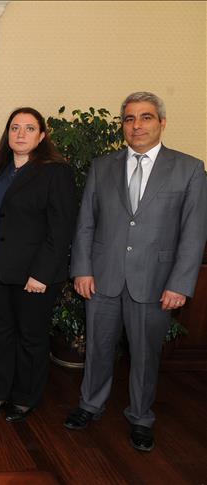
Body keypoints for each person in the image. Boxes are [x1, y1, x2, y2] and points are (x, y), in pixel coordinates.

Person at [64, 92, 207, 452]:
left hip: (155, 282)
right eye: (129, 119)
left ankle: (141, 416)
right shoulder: (102, 166)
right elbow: (86, 222)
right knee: (98, 348)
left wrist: (180, 284)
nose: (136, 125)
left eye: (145, 117)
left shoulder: (189, 168)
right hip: (102, 277)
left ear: (162, 123)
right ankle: (90, 405)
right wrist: (82, 269)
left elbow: (194, 233)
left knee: (145, 355)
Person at [0, 107, 77, 422]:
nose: (20, 134)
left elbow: (61, 230)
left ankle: (25, 397)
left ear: (42, 135)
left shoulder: (55, 172)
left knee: (30, 336)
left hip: (33, 273)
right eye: (15, 128)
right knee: (0, 332)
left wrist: (41, 274)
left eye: (29, 128)